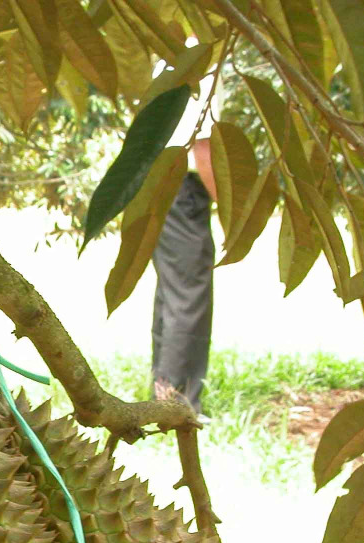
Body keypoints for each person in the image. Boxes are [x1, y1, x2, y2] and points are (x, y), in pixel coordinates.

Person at [150, 70, 221, 417]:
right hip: (183, 188)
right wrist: (231, 206)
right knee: (188, 295)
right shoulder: (201, 63)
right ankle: (178, 406)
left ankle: (165, 394)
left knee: (172, 293)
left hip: (160, 181)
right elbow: (203, 146)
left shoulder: (171, 58)